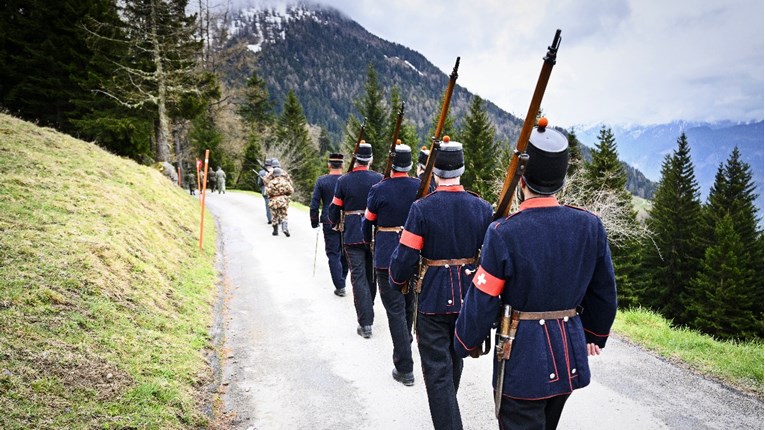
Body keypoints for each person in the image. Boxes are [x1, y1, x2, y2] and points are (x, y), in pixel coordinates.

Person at [453, 120, 618, 429]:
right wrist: (595, 334)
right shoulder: (589, 225)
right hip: (568, 357)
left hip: (521, 361)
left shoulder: (503, 232)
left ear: (522, 180)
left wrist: (464, 341)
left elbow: (483, 298)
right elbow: (604, 290)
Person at [388, 139, 493, 429]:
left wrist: (396, 280)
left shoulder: (422, 209)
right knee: (452, 359)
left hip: (432, 297)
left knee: (437, 372)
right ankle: (447, 412)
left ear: (434, 172)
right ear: (462, 169)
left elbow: (406, 256)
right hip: (469, 299)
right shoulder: (482, 207)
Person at [361, 144, 420, 386]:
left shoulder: (378, 189)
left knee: (395, 310)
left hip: (386, 255)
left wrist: (367, 242)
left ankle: (405, 367)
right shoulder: (420, 186)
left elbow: (368, 223)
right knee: (408, 306)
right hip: (414, 255)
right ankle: (405, 343)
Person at [328, 142, 383, 338]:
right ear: (371, 159)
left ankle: (365, 323)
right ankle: (369, 308)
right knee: (371, 275)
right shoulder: (379, 179)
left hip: (352, 234)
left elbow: (334, 209)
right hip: (374, 234)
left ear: (355, 158)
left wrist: (334, 222)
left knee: (358, 277)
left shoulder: (344, 181)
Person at [310, 153, 349, 297]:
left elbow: (315, 204)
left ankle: (340, 285)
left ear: (329, 165)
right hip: (346, 220)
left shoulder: (322, 181)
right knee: (345, 253)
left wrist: (314, 221)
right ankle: (342, 279)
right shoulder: (347, 179)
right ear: (342, 165)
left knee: (333, 253)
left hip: (328, 220)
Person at [265, 167, 294, 237]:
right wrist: (286, 194)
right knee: (284, 215)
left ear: (274, 174)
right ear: (280, 174)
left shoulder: (271, 182)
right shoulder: (285, 181)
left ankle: (275, 231)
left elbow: (267, 192)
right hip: (283, 201)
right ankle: (284, 228)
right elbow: (291, 190)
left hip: (274, 201)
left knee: (274, 216)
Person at [257, 159, 274, 224]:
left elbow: (259, 183)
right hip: (274, 190)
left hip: (265, 190)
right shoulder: (274, 171)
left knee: (268, 205)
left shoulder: (261, 172)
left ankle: (270, 219)